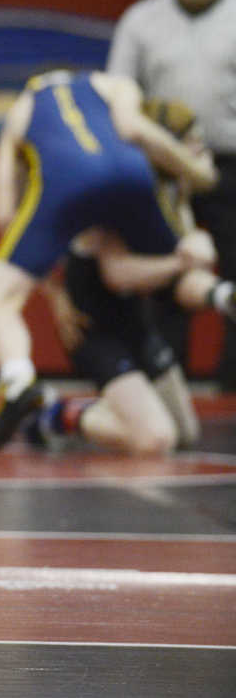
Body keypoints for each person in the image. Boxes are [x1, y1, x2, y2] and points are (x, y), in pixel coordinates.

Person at [0, 69, 217, 454]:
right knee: (187, 262)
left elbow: (5, 216)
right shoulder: (114, 84)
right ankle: (219, 291)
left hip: (65, 189)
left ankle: (20, 382)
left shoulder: (23, 110)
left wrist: (51, 289)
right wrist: (196, 171)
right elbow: (134, 130)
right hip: (132, 180)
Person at [25, 98, 235, 455]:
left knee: (184, 434)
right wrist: (183, 262)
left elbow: (180, 288)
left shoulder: (173, 193)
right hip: (93, 326)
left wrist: (221, 295)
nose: (203, 151)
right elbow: (118, 274)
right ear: (165, 146)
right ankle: (60, 413)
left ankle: (117, 408)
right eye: (193, 143)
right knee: (155, 440)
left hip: (133, 321)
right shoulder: (124, 189)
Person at [107, 0, 236, 388]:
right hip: (159, 168)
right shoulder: (142, 20)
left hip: (229, 166)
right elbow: (117, 92)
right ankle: (166, 383)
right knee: (165, 277)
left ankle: (232, 390)